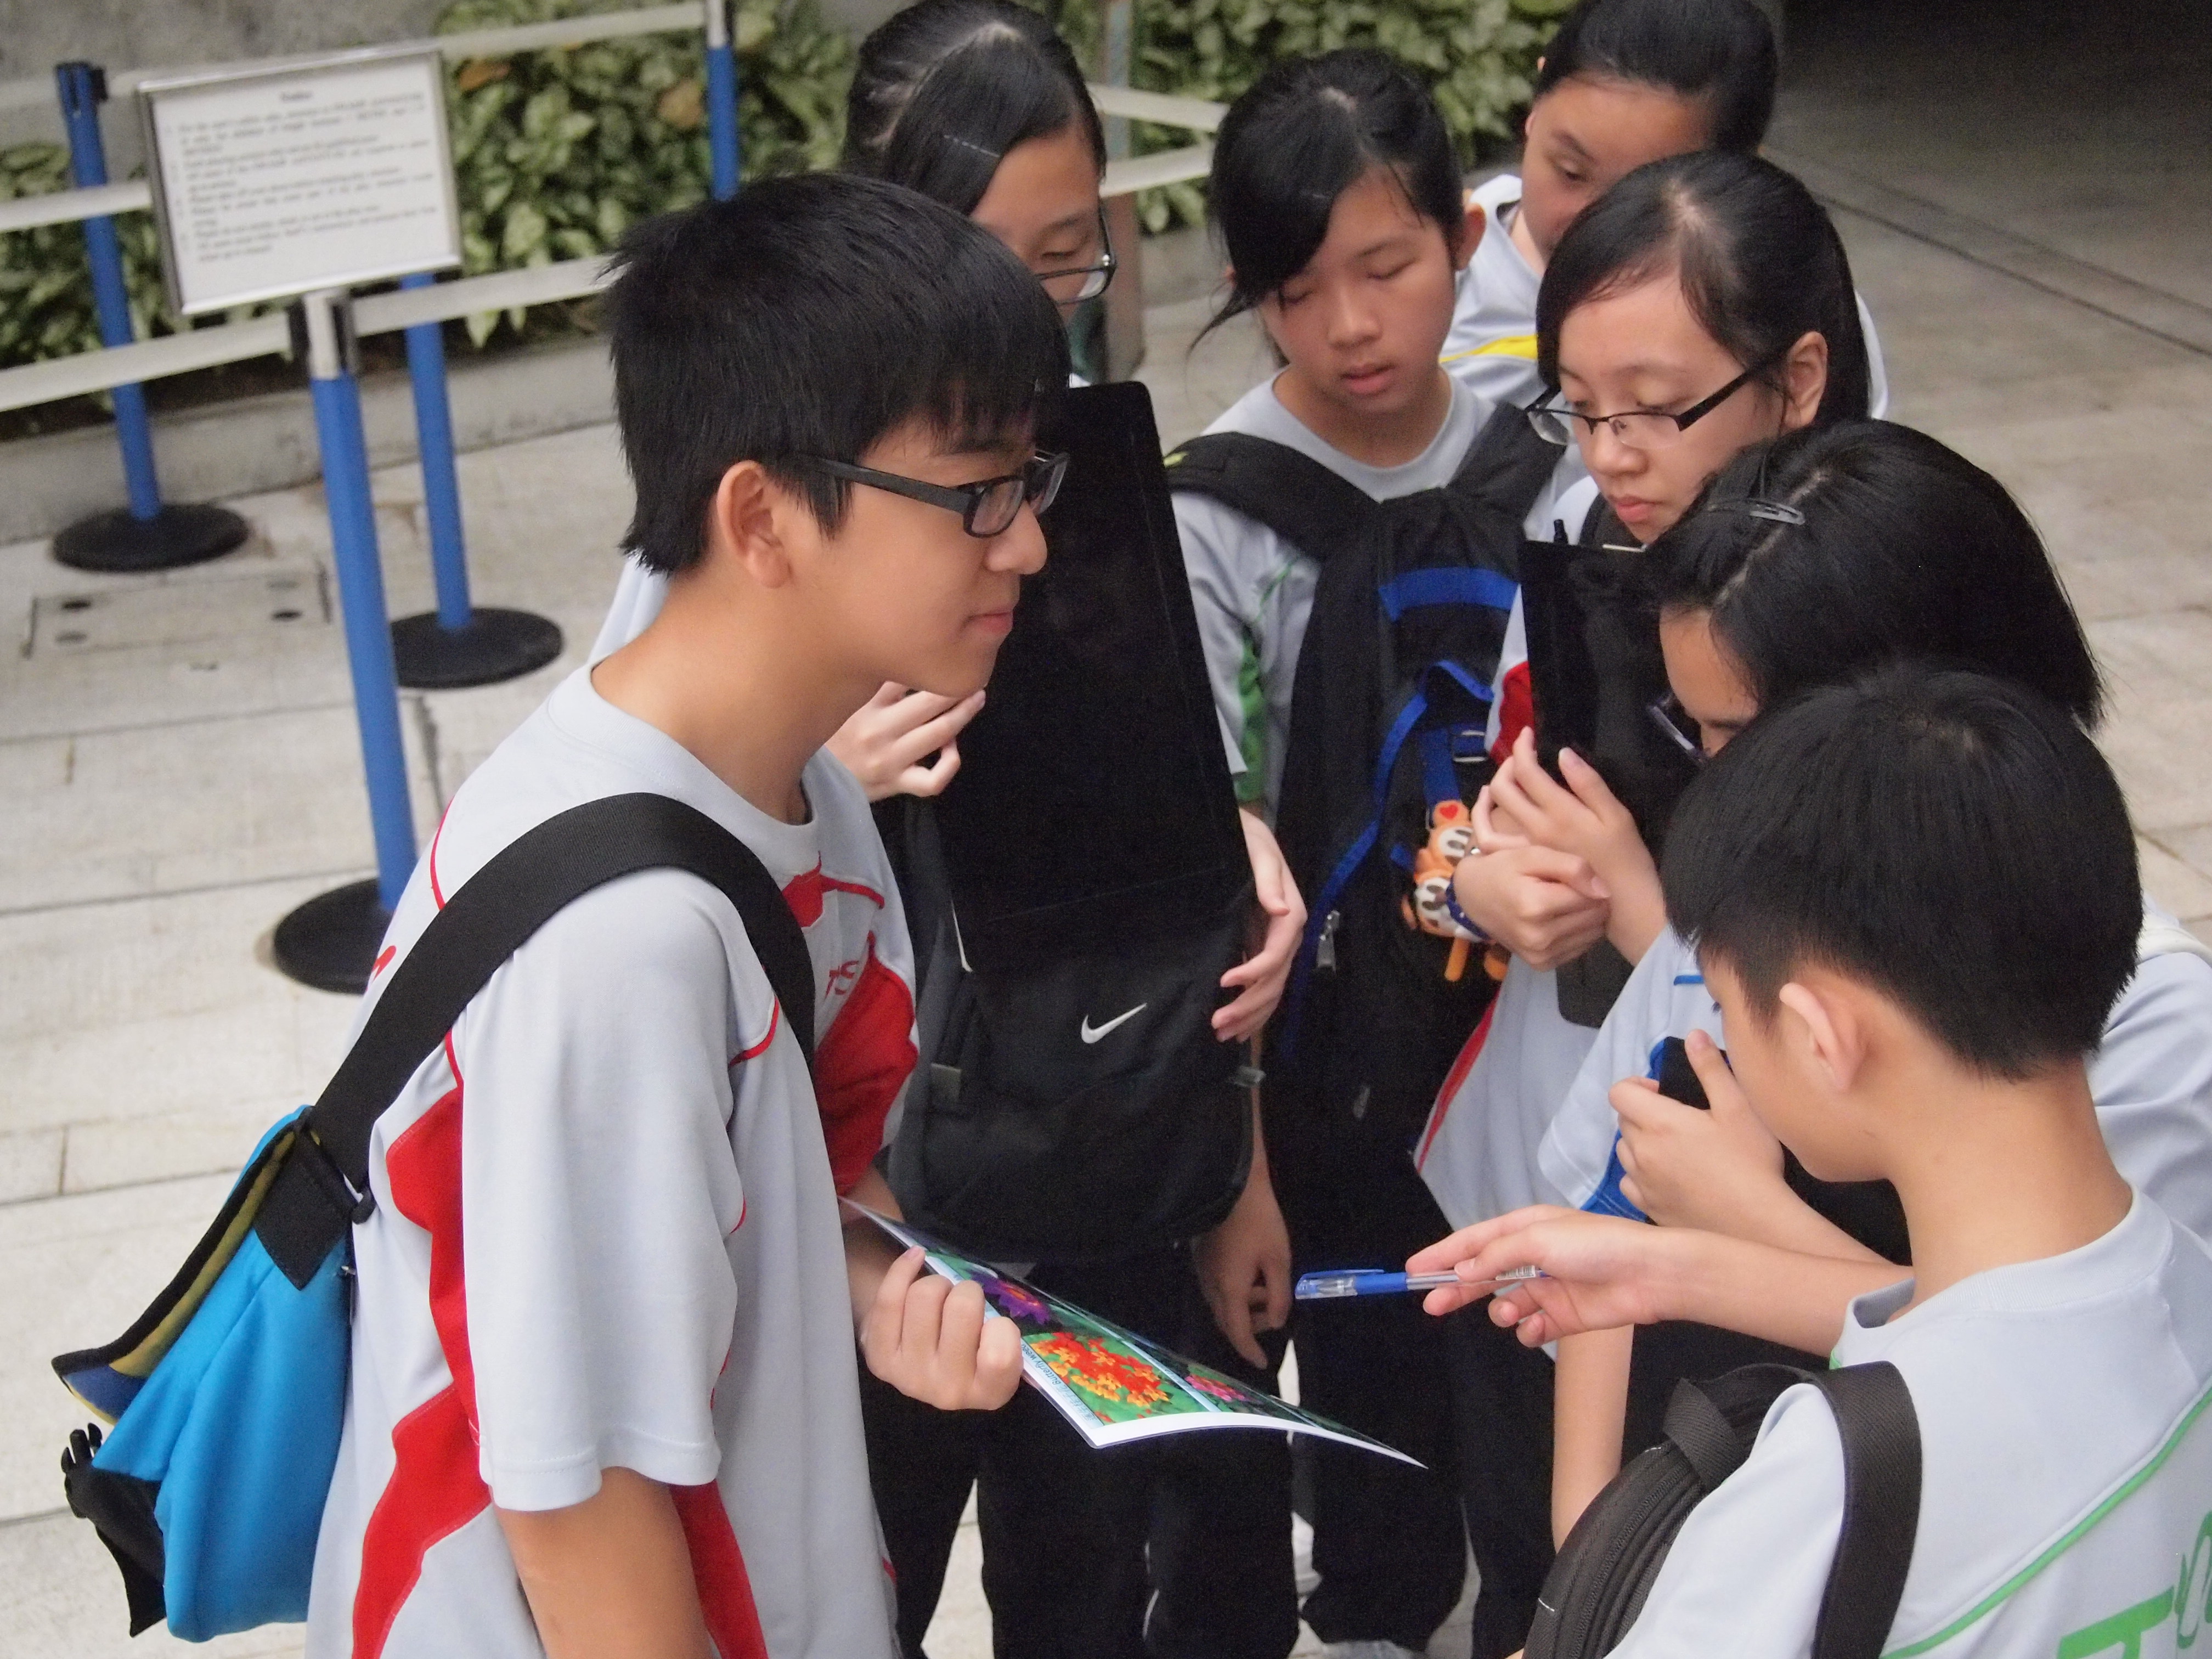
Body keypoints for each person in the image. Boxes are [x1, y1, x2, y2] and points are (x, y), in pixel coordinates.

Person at [306, 174, 1065, 1658]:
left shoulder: (793, 782)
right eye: (977, 492)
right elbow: (576, 1503)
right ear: (763, 517)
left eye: (1031, 480)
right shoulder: (618, 948)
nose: (1026, 543)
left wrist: (881, 1293)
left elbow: (787, 1180)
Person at [1415, 665, 2212, 1659]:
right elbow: (2012, 1332)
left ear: (1819, 1036)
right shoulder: (2184, 1282)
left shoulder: (1824, 1487)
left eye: (1722, 1003)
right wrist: (1678, 1267)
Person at [1511, 421, 2212, 1537]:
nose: (1714, 783)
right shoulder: (1742, 919)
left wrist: (1742, 1223)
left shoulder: (2143, 1012)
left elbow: (2102, 1370)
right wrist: (1587, 1558)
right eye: (1692, 734)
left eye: (1741, 735)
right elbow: (1603, 1220)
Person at [1411, 146, 1870, 1655]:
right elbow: (1453, 821)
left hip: (1792, 1311)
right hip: (1568, 1205)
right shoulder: (1585, 560)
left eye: (1656, 409)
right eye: (1580, 409)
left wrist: (1651, 921)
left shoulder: (1884, 624)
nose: (1611, 456)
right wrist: (1467, 884)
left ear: (1798, 381)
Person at [1169, 49, 1520, 1659]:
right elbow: (1209, 871)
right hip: (1321, 1084)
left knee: (1529, 1444)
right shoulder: (1211, 513)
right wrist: (1241, 1170)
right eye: (1297, 292)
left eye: (1388, 266)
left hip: (1527, 1053)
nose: (1352, 327)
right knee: (1375, 1470)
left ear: (1466, 236)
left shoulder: (1549, 461)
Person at [1441, 0, 1888, 421]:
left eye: (1642, 198)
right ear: (1535, 106)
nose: (1590, 224)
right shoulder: (1439, 277)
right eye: (1571, 172)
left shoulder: (1796, 312)